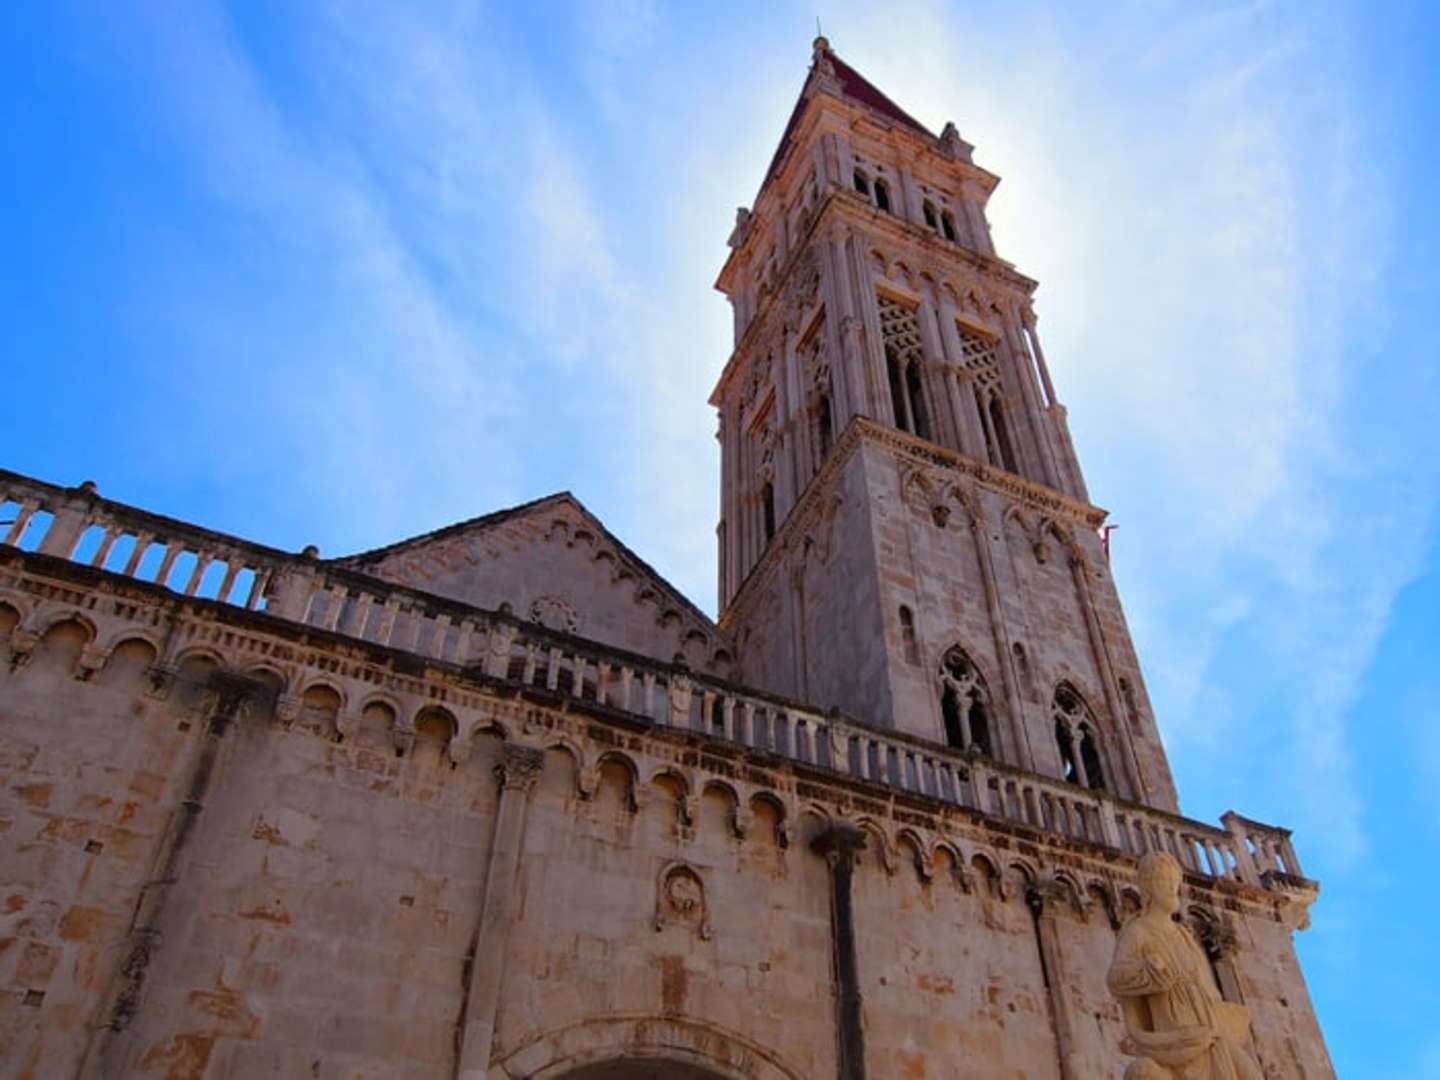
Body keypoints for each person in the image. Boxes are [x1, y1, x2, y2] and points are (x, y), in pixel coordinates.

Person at [1106, 852, 1262, 1080]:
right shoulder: (1138, 931)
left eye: (1174, 881)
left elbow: (1204, 982)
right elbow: (1116, 977)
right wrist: (1150, 972)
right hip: (1176, 1035)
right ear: (1148, 888)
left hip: (1210, 1029)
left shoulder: (1183, 934)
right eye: (1163, 881)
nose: (1171, 888)